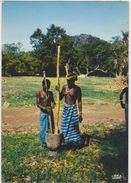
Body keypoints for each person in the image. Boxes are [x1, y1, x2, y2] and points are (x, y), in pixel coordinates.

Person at [56, 72, 83, 149]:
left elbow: (79, 101)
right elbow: (60, 98)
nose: (68, 83)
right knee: (65, 124)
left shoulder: (77, 89)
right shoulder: (64, 87)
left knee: (73, 125)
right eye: (67, 81)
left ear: (73, 81)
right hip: (66, 109)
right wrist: (59, 91)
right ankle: (66, 140)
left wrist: (80, 113)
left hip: (73, 109)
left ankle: (75, 141)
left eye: (69, 81)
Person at [36, 79, 55, 147]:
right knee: (43, 127)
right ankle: (43, 142)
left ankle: (51, 140)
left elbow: (53, 102)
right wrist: (44, 108)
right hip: (43, 113)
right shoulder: (39, 93)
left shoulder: (50, 93)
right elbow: (38, 104)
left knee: (51, 126)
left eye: (49, 85)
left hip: (50, 112)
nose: (48, 87)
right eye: (46, 86)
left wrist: (52, 106)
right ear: (43, 85)